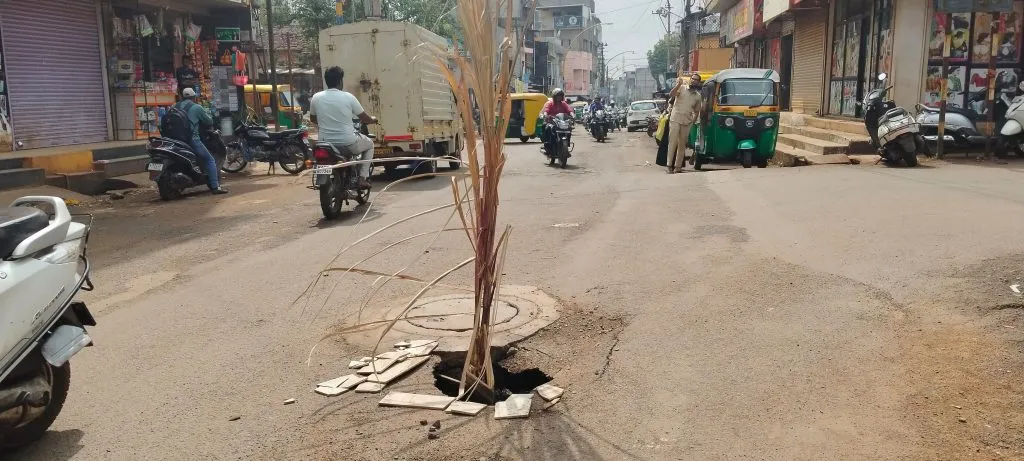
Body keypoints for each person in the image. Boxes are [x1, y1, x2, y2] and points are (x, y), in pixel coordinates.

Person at [310, 66, 378, 188]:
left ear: (326, 80)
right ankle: (362, 178)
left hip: (325, 143)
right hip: (348, 143)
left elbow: (313, 119)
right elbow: (364, 118)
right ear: (340, 81)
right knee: (370, 145)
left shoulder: (316, 97)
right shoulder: (348, 97)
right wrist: (372, 120)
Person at [175, 88, 227, 195]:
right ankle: (215, 187)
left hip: (176, 141)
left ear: (182, 96)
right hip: (192, 140)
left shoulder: (175, 106)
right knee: (210, 160)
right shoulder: (197, 107)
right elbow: (209, 121)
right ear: (194, 97)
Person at [665, 74, 703, 174]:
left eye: (696, 80)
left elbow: (697, 111)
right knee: (672, 142)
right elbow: (671, 94)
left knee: (682, 144)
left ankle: (678, 167)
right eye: (693, 79)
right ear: (690, 79)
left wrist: (693, 122)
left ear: (698, 82)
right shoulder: (681, 88)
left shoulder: (698, 96)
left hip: (687, 121)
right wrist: (678, 85)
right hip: (675, 118)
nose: (694, 81)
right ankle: (669, 165)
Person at [540, 88, 573, 153]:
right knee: (546, 127)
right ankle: (547, 145)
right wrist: (545, 114)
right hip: (552, 122)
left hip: (561, 122)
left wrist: (572, 115)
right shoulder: (550, 103)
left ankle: (567, 145)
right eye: (557, 96)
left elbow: (569, 109)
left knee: (569, 129)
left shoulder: (564, 103)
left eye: (560, 95)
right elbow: (546, 110)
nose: (559, 97)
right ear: (554, 96)